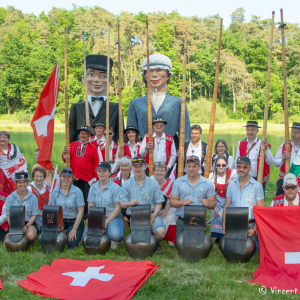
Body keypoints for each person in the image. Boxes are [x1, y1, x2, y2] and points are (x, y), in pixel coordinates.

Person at [126, 53, 191, 148]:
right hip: (144, 154)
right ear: (144, 74)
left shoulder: (178, 103)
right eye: (150, 70)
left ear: (168, 73)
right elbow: (130, 135)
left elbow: (185, 135)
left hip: (171, 152)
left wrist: (185, 157)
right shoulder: (135, 103)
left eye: (160, 70)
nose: (154, 75)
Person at [119, 156, 166, 254]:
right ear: (132, 168)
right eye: (135, 166)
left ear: (145, 167)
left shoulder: (153, 183)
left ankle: (155, 242)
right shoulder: (127, 184)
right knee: (139, 241)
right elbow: (122, 203)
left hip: (151, 213)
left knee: (161, 232)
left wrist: (154, 215)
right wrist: (129, 203)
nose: (138, 169)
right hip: (136, 215)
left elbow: (159, 203)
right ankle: (147, 239)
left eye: (141, 166)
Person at [69, 55, 120, 143]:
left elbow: (121, 136)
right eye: (91, 74)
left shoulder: (115, 108)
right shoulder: (76, 108)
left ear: (110, 81)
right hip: (83, 155)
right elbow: (71, 136)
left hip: (107, 155)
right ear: (84, 79)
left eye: (103, 76)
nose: (96, 80)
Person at [223, 156, 264, 256]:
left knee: (249, 254)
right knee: (232, 254)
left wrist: (255, 229)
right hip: (234, 224)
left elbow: (261, 210)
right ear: (236, 168)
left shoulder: (257, 186)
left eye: (245, 167)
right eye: (239, 166)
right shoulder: (231, 184)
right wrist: (224, 225)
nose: (241, 169)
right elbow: (227, 206)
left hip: (249, 225)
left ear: (250, 169)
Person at [170, 156, 216, 236]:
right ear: (186, 167)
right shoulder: (178, 182)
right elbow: (172, 202)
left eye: (194, 166)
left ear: (199, 167)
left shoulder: (207, 183)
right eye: (189, 166)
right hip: (182, 221)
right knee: (182, 246)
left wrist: (208, 204)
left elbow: (213, 203)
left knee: (198, 247)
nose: (191, 169)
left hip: (199, 221)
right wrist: (182, 202)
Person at [86, 162, 124, 250]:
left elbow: (118, 208)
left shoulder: (116, 188)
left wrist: (106, 222)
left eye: (104, 171)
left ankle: (111, 237)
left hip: (113, 216)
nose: (101, 174)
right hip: (97, 217)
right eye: (99, 171)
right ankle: (106, 232)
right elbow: (90, 208)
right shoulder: (93, 188)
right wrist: (93, 220)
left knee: (116, 235)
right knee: (86, 237)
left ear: (110, 172)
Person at [62, 125, 99, 217]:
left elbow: (96, 164)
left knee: (85, 196)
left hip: (87, 177)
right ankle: (73, 213)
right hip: (74, 176)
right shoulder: (72, 145)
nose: (82, 135)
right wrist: (64, 153)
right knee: (73, 195)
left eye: (85, 134)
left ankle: (85, 215)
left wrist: (95, 178)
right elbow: (66, 160)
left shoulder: (93, 148)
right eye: (81, 133)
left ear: (89, 136)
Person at [49, 167, 84, 248]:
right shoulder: (55, 191)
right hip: (60, 221)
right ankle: (64, 233)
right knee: (52, 241)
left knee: (72, 245)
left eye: (68, 177)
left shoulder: (77, 192)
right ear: (60, 177)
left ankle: (76, 234)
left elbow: (81, 212)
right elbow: (52, 209)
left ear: (72, 178)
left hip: (74, 220)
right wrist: (54, 225)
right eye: (64, 177)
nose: (66, 179)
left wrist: (74, 229)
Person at [235, 121, 273, 191]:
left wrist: (266, 148)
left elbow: (270, 162)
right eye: (248, 130)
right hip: (243, 177)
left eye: (252, 130)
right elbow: (236, 161)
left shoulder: (262, 143)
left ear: (257, 131)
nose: (250, 132)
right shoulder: (240, 143)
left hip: (257, 178)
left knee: (258, 200)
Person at [208, 156, 237, 243]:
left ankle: (228, 234)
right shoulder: (212, 176)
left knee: (228, 215)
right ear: (215, 166)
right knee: (216, 214)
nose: (221, 167)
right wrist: (215, 208)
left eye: (223, 165)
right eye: (218, 165)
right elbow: (211, 194)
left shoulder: (233, 174)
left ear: (227, 165)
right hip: (217, 201)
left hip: (230, 201)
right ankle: (219, 236)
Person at [5, 172, 39, 243]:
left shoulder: (33, 197)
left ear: (27, 183)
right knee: (7, 241)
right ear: (16, 184)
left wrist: (26, 226)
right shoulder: (10, 198)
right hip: (15, 223)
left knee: (31, 236)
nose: (22, 184)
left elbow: (34, 215)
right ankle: (21, 238)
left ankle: (24, 238)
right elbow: (8, 214)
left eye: (24, 182)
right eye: (19, 182)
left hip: (29, 223)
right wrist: (12, 226)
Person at [152, 162, 176, 246]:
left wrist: (164, 213)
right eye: (157, 170)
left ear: (166, 172)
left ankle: (169, 238)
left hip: (166, 208)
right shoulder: (149, 181)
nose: (159, 173)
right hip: (152, 209)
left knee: (172, 217)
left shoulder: (170, 184)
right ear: (153, 171)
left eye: (162, 170)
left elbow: (170, 202)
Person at [274, 122, 300, 195]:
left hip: (299, 182)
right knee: (280, 203)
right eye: (292, 132)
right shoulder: (285, 145)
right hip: (284, 181)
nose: (293, 135)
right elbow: (275, 163)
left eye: (296, 133)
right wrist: (283, 159)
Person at [27, 167, 51, 233]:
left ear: (44, 177)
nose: (39, 178)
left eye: (41, 176)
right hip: (34, 214)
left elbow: (51, 201)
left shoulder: (47, 186)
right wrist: (41, 213)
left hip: (46, 212)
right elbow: (29, 206)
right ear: (33, 177)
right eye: (36, 176)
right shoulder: (29, 188)